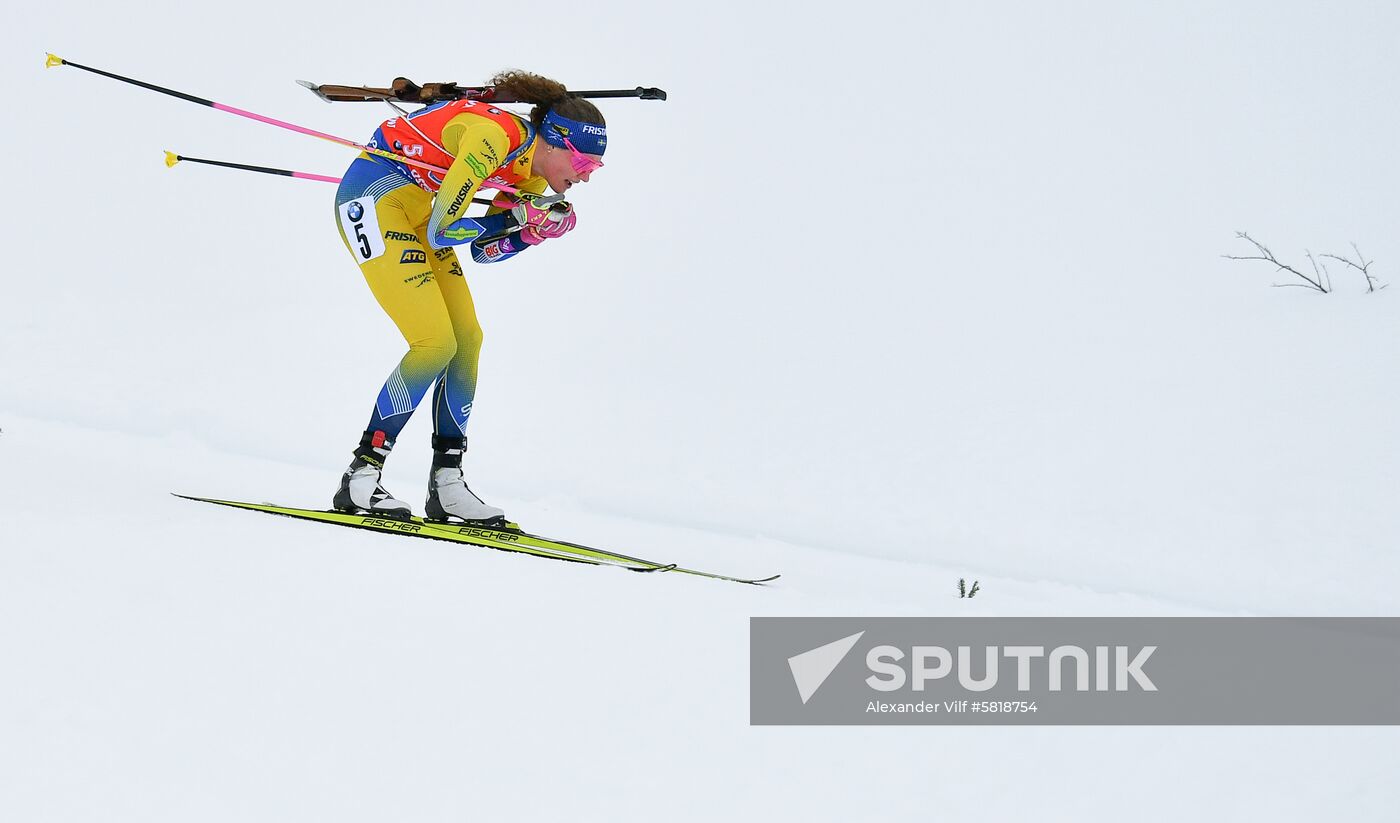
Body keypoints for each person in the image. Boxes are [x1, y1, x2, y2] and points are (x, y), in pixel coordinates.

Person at [329, 70, 606, 524]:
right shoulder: (493, 138)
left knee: (466, 340)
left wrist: (530, 234)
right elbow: (445, 228)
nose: (586, 178)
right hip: (374, 203)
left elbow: (482, 251)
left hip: (421, 218)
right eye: (583, 165)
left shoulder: (531, 173)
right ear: (555, 142)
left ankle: (447, 485)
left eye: (593, 170)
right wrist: (517, 214)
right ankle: (361, 476)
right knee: (434, 343)